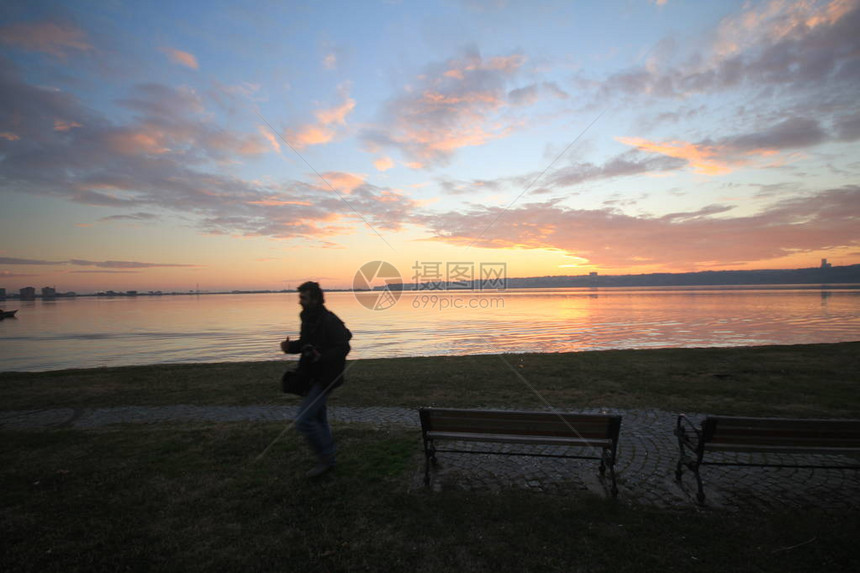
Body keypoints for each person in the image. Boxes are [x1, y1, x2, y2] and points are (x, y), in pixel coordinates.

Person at [280, 281, 352, 478]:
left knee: (303, 420)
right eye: (299, 297)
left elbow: (344, 347)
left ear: (315, 299)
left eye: (303, 298)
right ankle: (329, 458)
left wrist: (322, 356)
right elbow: (305, 343)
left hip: (326, 377)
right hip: (311, 375)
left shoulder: (329, 320)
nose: (300, 302)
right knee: (318, 418)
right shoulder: (308, 318)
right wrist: (290, 347)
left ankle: (326, 459)